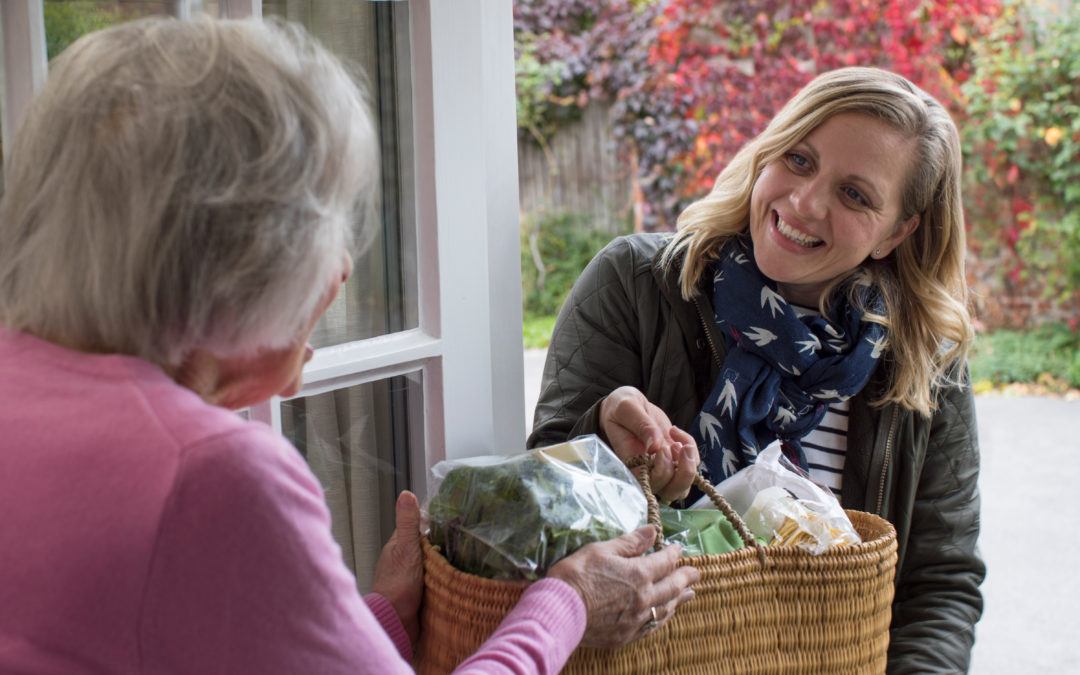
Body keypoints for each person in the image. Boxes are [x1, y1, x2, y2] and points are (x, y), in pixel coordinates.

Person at [0, 17, 699, 674]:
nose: (342, 267)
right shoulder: (213, 474)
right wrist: (567, 602)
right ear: (243, 256)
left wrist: (378, 618)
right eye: (330, 219)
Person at [529, 66, 985, 672]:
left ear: (896, 231)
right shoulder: (635, 285)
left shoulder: (926, 362)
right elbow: (539, 503)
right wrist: (603, 439)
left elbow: (939, 583)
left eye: (855, 194)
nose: (804, 202)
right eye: (798, 160)